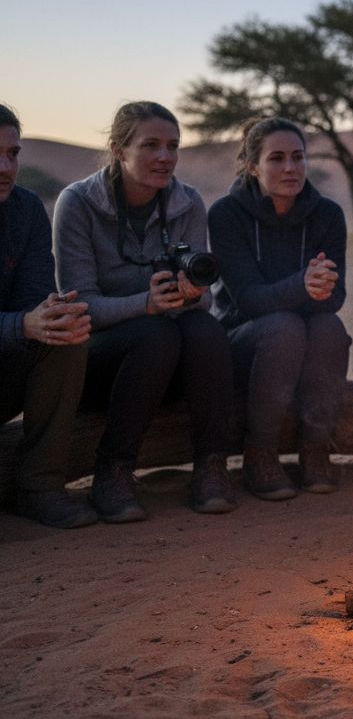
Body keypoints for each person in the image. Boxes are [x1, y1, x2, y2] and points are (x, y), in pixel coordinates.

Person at [54, 101, 236, 521]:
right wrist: (146, 304)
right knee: (156, 334)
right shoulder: (78, 202)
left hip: (171, 358)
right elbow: (79, 307)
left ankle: (211, 465)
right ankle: (112, 472)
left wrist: (190, 294)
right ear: (119, 149)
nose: (165, 157)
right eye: (151, 145)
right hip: (103, 362)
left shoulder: (187, 202)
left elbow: (207, 296)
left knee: (206, 330)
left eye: (173, 146)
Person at [209, 118, 351, 499]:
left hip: (306, 339)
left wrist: (319, 288)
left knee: (330, 328)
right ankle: (260, 454)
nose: (290, 168)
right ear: (253, 166)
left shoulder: (328, 215)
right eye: (276, 158)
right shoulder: (225, 215)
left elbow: (336, 299)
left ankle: (315, 448)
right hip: (243, 342)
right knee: (283, 326)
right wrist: (303, 285)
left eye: (298, 157)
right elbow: (249, 301)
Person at [0, 103, 97, 528]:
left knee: (63, 334)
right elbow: (22, 320)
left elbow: (33, 299)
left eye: (13, 154)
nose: (5, 167)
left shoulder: (25, 210)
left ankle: (40, 486)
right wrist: (21, 324)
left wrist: (48, 317)